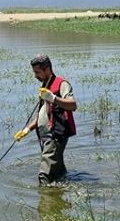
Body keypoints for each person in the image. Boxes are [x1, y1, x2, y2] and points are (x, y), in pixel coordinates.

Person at [14, 54, 77, 184]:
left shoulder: (62, 83)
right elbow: (43, 113)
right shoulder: (45, 85)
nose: (35, 75)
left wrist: (53, 98)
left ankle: (46, 200)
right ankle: (62, 194)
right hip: (46, 135)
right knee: (58, 171)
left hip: (56, 135)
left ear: (47, 69)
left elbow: (72, 105)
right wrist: (26, 130)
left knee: (44, 176)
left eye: (37, 72)